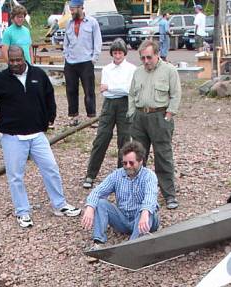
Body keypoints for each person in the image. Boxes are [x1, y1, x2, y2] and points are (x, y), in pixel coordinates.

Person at [0, 46, 81, 229]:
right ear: (8, 60)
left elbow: (50, 97)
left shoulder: (38, 75)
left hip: (37, 134)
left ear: (24, 57)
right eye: (12, 61)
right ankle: (22, 211)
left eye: (18, 59)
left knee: (51, 168)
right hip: (12, 136)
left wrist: (50, 118)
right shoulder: (0, 79)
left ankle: (60, 205)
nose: (15, 64)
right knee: (15, 176)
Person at [128, 39, 181, 210]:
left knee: (163, 156)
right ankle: (137, 192)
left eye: (149, 57)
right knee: (137, 156)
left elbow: (176, 94)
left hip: (160, 117)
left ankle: (169, 195)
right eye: (142, 58)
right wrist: (131, 113)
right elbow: (131, 94)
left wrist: (169, 114)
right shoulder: (137, 73)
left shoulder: (169, 71)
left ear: (157, 55)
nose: (146, 61)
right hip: (140, 117)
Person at [81, 140, 160, 246]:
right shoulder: (117, 175)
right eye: (124, 163)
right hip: (123, 220)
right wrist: (90, 207)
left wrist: (145, 213)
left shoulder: (149, 176)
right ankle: (98, 242)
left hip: (144, 220)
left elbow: (150, 198)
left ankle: (132, 245)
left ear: (140, 161)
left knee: (147, 210)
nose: (127, 166)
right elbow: (98, 191)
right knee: (100, 203)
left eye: (131, 163)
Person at [82, 39, 136, 189]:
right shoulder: (106, 69)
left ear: (124, 53)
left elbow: (128, 90)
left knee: (124, 140)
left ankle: (123, 173)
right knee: (101, 138)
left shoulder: (131, 69)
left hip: (125, 104)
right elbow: (103, 89)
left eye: (120, 52)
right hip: (109, 104)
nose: (117, 55)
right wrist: (113, 88)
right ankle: (90, 174)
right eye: (115, 53)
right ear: (112, 53)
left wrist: (111, 87)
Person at [63, 0, 102, 126]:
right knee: (71, 90)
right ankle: (73, 116)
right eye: (70, 9)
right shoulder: (69, 23)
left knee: (89, 90)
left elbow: (97, 40)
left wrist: (93, 58)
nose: (71, 11)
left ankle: (91, 116)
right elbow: (66, 42)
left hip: (86, 61)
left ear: (80, 7)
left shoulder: (92, 22)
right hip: (71, 62)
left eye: (73, 9)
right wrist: (66, 55)